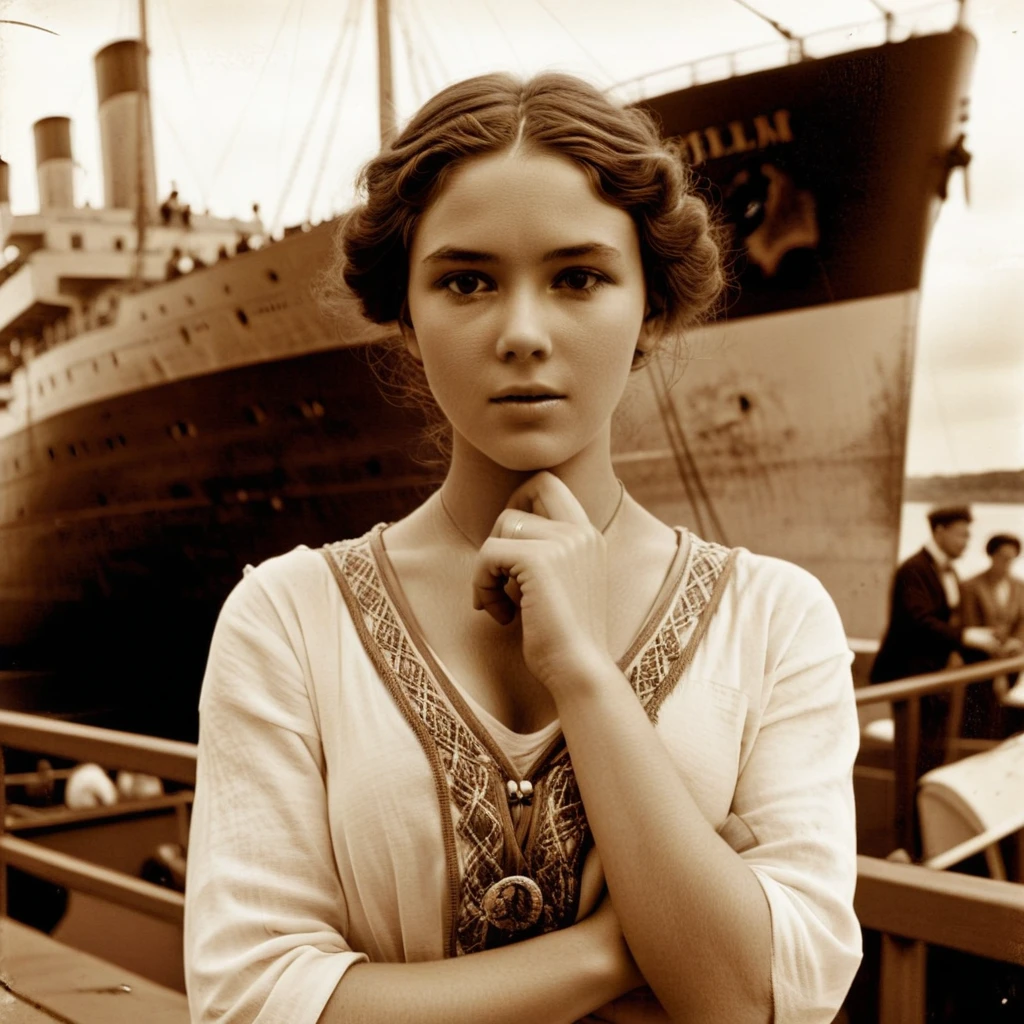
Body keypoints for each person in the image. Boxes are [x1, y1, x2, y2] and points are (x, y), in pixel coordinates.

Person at [184, 72, 862, 1024]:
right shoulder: (289, 619)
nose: (523, 333)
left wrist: (582, 669)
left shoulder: (776, 621)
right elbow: (253, 1003)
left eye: (579, 277)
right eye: (467, 281)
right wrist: (617, 949)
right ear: (406, 313)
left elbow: (761, 1001)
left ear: (653, 308)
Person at [870, 505, 1000, 854]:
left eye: (968, 535)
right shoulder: (913, 570)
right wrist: (967, 638)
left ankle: (924, 833)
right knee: (911, 759)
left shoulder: (949, 573)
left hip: (935, 678)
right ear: (939, 531)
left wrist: (989, 648)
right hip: (912, 678)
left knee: (930, 755)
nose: (966, 542)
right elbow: (918, 621)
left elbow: (946, 625)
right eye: (961, 534)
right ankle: (906, 839)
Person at [961, 533, 1024, 739]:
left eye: (1012, 558)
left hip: (1011, 662)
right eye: (1003, 557)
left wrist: (1017, 641)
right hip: (981, 662)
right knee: (982, 716)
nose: (1007, 563)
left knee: (1008, 719)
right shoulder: (971, 586)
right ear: (992, 555)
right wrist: (995, 648)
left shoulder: (1019, 587)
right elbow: (970, 624)